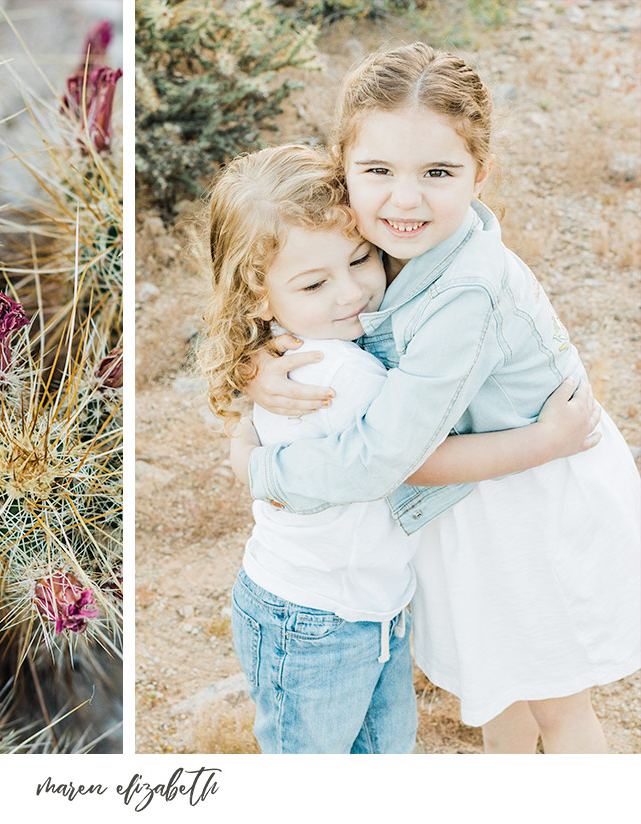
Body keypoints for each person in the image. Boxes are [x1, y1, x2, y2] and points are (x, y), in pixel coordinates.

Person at [238, 43, 641, 753]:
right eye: (379, 171)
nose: (405, 197)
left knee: (554, 703)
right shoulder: (376, 243)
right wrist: (256, 361)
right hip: (472, 499)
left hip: (530, 492)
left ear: (479, 176)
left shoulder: (464, 291)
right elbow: (285, 280)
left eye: (438, 172)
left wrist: (261, 468)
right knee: (495, 693)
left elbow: (388, 458)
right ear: (345, 171)